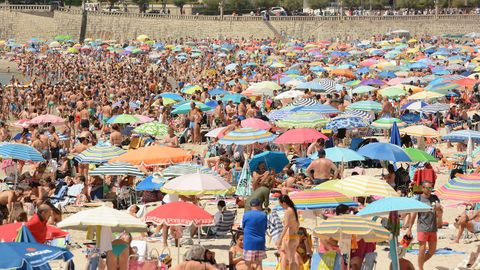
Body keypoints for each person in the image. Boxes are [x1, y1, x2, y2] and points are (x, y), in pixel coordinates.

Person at [406, 181, 442, 270]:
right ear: (422, 188)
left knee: (432, 251)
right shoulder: (418, 199)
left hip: (433, 227)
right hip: (422, 227)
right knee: (422, 249)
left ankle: (420, 264)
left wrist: (439, 210)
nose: (430, 190)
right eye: (428, 188)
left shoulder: (435, 198)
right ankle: (421, 268)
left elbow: (439, 213)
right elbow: (413, 214)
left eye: (431, 188)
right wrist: (409, 229)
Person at [242, 198, 268, 270]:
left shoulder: (246, 214)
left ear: (251, 206)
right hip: (260, 242)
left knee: (247, 264)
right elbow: (265, 228)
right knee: (258, 264)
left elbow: (243, 227)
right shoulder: (263, 215)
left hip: (249, 242)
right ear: (259, 205)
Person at [277, 195, 300, 270]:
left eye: (280, 204)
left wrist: (280, 240)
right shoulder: (293, 210)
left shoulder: (288, 211)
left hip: (290, 238)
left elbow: (286, 226)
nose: (281, 206)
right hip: (295, 237)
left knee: (290, 260)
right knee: (292, 258)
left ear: (283, 203)